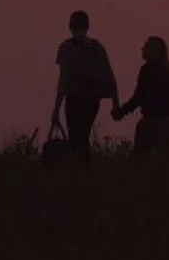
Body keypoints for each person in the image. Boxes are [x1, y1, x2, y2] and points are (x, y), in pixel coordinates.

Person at [50, 10, 120, 164]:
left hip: (75, 98)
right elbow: (110, 76)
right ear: (87, 26)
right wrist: (116, 103)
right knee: (83, 135)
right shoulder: (97, 48)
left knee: (76, 137)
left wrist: (56, 109)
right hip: (93, 100)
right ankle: (84, 168)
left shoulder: (67, 48)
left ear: (70, 26)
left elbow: (63, 81)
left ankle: (80, 170)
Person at [113, 36, 169, 153]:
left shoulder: (147, 70)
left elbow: (138, 97)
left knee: (141, 160)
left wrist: (121, 112)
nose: (142, 49)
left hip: (152, 121)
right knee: (166, 161)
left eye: (145, 47)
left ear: (153, 51)